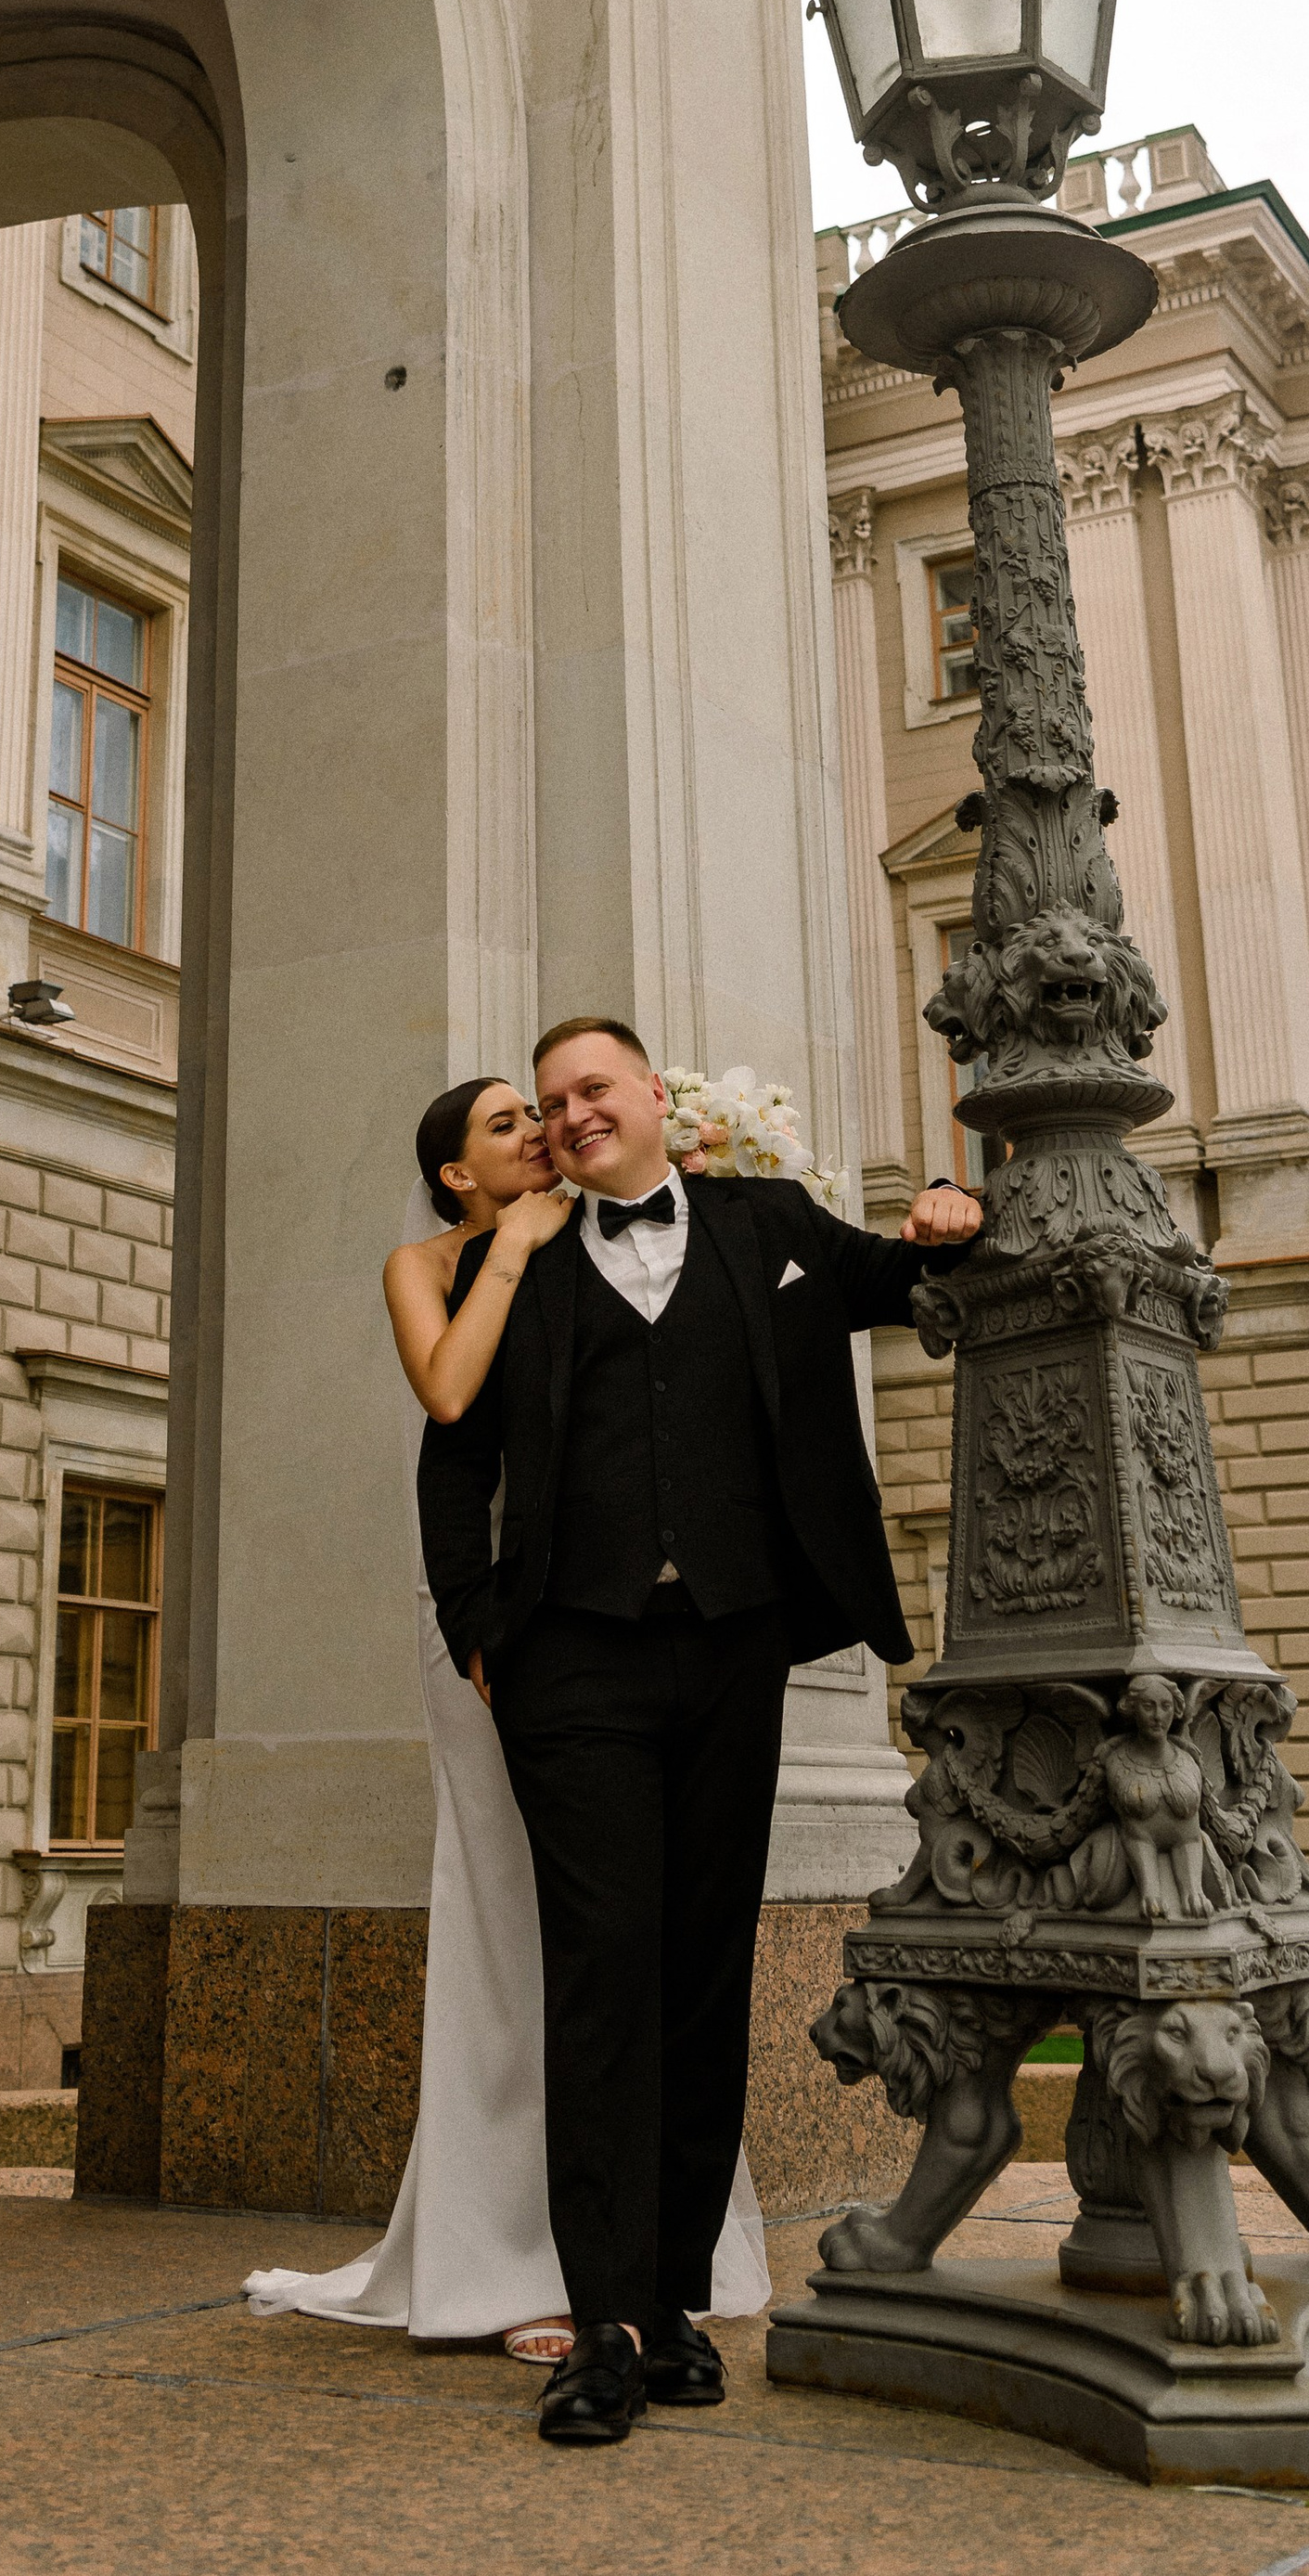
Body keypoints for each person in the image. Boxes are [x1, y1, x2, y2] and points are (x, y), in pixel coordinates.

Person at [417, 1015, 982, 2447]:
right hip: (572, 1669)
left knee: (701, 1973)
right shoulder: (517, 1266)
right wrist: (478, 1625)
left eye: (592, 1088)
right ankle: (600, 2325)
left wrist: (949, 1216)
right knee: (604, 1977)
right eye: (550, 1103)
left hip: (734, 1652)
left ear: (656, 1098)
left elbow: (897, 1278)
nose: (571, 1114)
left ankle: (671, 2305)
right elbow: (456, 1449)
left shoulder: (767, 1222)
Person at [243, 1075, 773, 2356]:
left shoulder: (606, 1240)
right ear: (454, 1178)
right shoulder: (426, 1263)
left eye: (536, 1119)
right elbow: (448, 1406)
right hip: (492, 1633)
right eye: (505, 1127)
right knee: (519, 1928)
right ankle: (509, 2260)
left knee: (623, 1933)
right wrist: (514, 1248)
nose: (538, 1136)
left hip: (611, 1636)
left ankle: (654, 2250)